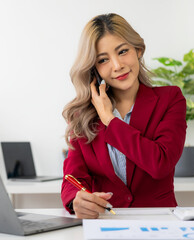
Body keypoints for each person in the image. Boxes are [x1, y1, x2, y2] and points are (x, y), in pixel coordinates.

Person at [61, 13, 187, 219]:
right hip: (106, 222)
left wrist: (110, 120)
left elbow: (160, 164)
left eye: (123, 51)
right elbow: (72, 177)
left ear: (138, 50)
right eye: (103, 60)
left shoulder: (170, 99)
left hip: (160, 222)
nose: (117, 65)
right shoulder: (82, 115)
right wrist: (76, 199)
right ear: (95, 69)